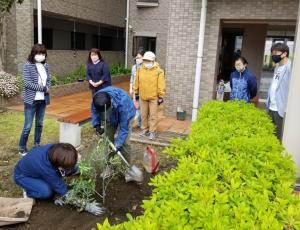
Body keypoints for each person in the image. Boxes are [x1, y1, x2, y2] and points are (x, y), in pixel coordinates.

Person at [13, 143, 102, 215]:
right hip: (23, 176)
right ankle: (28, 191)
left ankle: (42, 181)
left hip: (37, 170)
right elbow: (64, 191)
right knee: (47, 192)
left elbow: (70, 157)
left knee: (72, 169)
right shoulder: (47, 169)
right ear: (58, 166)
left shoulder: (58, 150)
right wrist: (86, 206)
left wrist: (80, 166)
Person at [18, 44, 51, 156]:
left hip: (43, 100)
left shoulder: (45, 65)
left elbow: (49, 79)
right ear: (33, 54)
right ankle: (22, 148)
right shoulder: (28, 65)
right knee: (27, 126)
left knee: (40, 124)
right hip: (31, 100)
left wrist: (47, 86)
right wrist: (43, 88)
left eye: (42, 53)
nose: (40, 55)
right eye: (38, 53)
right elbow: (27, 84)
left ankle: (37, 144)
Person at [92, 86, 136, 163]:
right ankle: (108, 165)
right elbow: (94, 111)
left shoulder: (123, 103)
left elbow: (124, 129)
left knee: (125, 143)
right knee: (107, 141)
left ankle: (126, 168)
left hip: (127, 114)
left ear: (111, 102)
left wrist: (117, 145)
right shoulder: (97, 99)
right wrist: (97, 124)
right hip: (111, 116)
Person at [133, 51, 166, 140]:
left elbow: (161, 84)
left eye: (148, 61)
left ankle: (152, 131)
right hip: (142, 96)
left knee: (153, 115)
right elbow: (137, 82)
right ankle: (144, 130)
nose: (146, 63)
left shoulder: (159, 71)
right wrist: (136, 93)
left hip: (154, 97)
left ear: (153, 60)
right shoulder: (140, 69)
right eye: (145, 61)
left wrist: (161, 96)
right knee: (143, 115)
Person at [266, 43, 292, 141]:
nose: (273, 55)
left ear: (284, 53)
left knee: (278, 136)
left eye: (276, 52)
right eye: (272, 52)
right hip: (271, 106)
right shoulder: (277, 67)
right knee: (270, 133)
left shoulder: (290, 68)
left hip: (280, 108)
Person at [86, 48, 112, 135]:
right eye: (92, 55)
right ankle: (97, 125)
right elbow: (88, 75)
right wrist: (91, 82)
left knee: (103, 105)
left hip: (103, 88)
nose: (93, 57)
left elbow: (106, 75)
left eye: (95, 55)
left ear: (99, 55)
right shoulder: (89, 64)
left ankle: (106, 123)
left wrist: (99, 83)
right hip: (94, 88)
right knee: (95, 105)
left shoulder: (103, 64)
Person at [129, 50, 145, 128]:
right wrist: (130, 87)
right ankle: (138, 122)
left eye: (139, 57)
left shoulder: (145, 67)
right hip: (136, 90)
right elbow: (132, 77)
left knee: (143, 107)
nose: (138, 59)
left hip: (143, 90)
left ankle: (141, 122)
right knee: (136, 106)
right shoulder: (134, 67)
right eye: (137, 57)